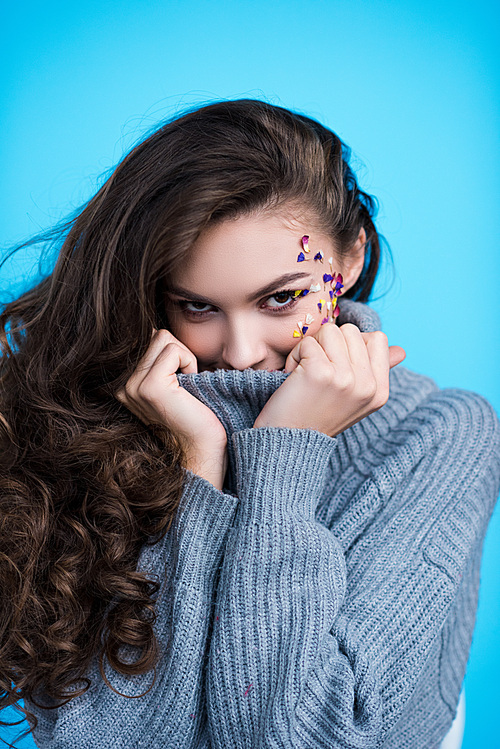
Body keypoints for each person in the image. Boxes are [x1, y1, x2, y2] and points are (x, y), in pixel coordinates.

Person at [0, 99, 497, 749]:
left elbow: (315, 739)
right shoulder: (91, 428)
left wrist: (287, 451)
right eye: (198, 305)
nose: (238, 351)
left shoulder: (438, 433)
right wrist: (194, 469)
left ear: (349, 260)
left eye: (281, 297)